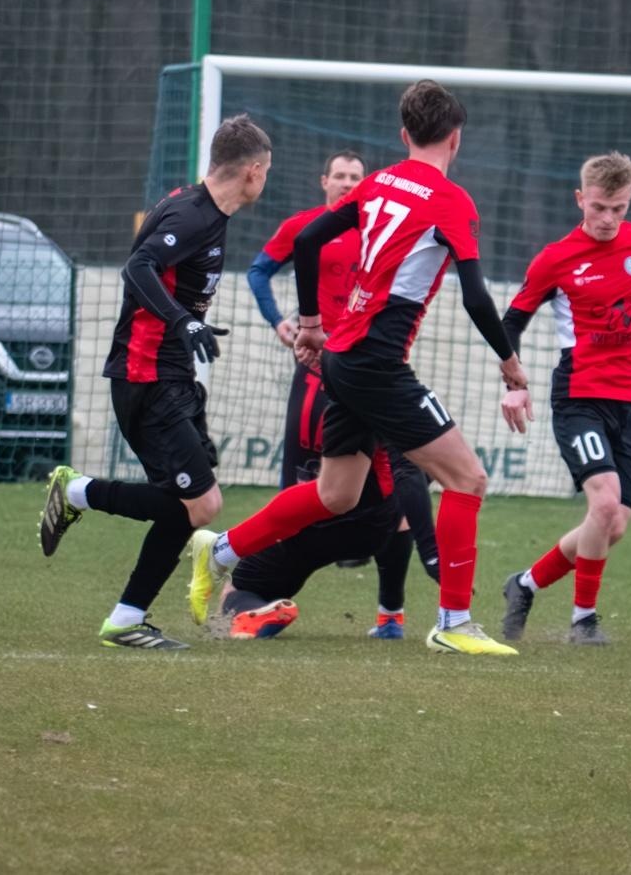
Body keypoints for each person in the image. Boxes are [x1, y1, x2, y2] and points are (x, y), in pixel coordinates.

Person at [188, 80, 533, 656]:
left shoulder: (378, 183)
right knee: (468, 479)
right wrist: (510, 364)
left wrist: (310, 324)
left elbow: (307, 242)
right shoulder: (451, 200)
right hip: (376, 364)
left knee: (336, 494)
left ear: (403, 136)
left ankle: (220, 550)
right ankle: (452, 621)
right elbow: (476, 297)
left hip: (341, 358)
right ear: (455, 138)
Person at [38, 115, 272, 650]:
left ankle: (125, 619)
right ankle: (76, 491)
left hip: (171, 377)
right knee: (202, 505)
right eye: (267, 173)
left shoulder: (204, 209)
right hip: (146, 376)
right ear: (254, 171)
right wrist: (183, 320)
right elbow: (138, 267)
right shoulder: (192, 215)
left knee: (185, 506)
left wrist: (186, 319)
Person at [497, 152, 631, 644]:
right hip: (578, 397)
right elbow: (511, 323)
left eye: (620, 208)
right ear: (580, 200)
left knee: (614, 524)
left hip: (627, 399)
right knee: (604, 504)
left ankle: (523, 584)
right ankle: (582, 622)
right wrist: (515, 386)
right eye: (601, 207)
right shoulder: (555, 258)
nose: (609, 219)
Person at [246, 149, 438, 639]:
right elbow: (258, 271)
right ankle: (258, 595)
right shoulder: (304, 227)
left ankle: (390, 613)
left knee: (396, 472)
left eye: (357, 176)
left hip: (370, 370)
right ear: (323, 181)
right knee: (304, 479)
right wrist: (280, 321)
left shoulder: (382, 231)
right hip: (315, 368)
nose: (349, 183)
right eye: (341, 176)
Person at [215, 448, 402, 640]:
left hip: (308, 522)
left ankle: (251, 612)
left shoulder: (322, 419)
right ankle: (391, 617)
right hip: (373, 526)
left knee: (239, 588)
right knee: (401, 499)